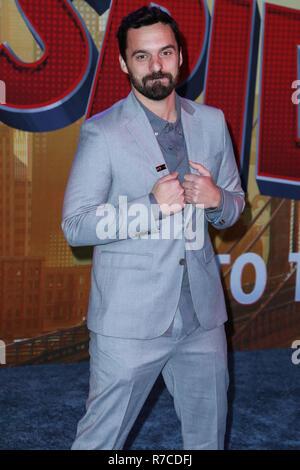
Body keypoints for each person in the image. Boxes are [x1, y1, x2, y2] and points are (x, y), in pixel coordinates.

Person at [62, 6, 245, 450]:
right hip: (129, 323)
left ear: (180, 56)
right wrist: (150, 206)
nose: (156, 65)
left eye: (164, 52)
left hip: (201, 321)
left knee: (208, 441)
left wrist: (218, 200)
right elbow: (76, 224)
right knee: (99, 442)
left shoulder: (213, 122)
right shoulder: (102, 133)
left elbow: (234, 207)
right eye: (141, 56)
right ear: (124, 63)